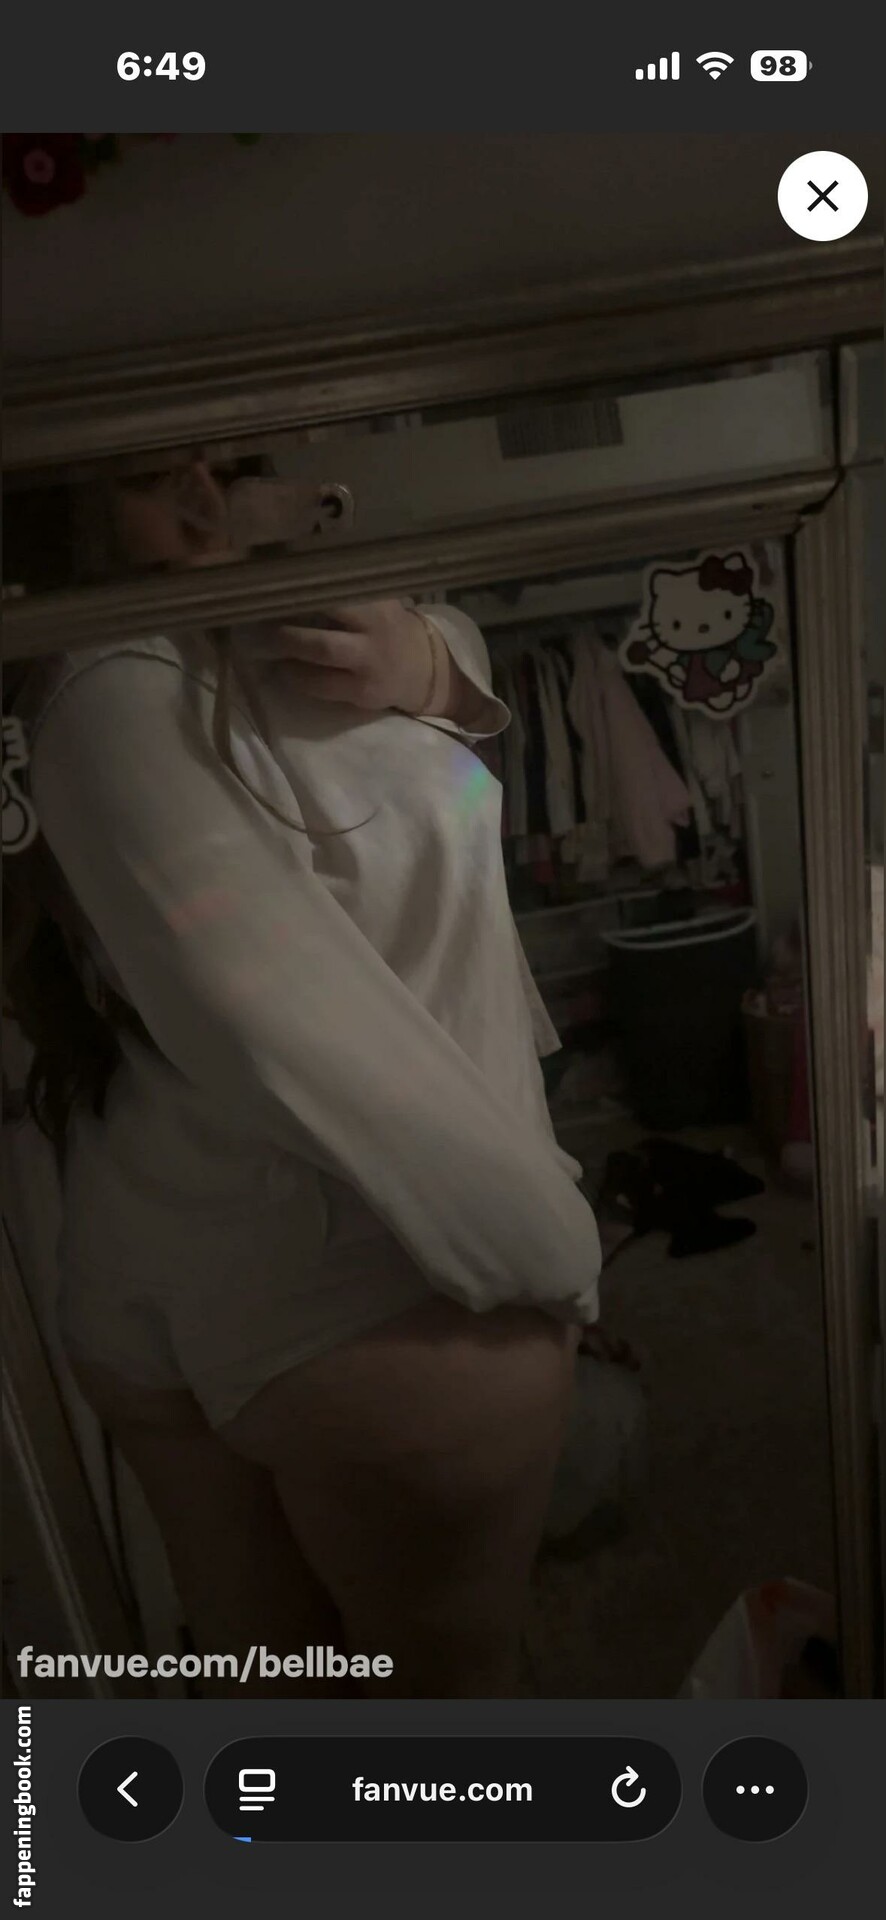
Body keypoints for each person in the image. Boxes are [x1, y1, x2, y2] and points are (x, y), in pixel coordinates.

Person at [4, 453, 602, 1698]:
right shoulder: (121, 690)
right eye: (157, 474)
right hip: (380, 1287)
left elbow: (451, 695)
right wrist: (551, 1254)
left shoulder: (270, 635)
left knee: (282, 1716)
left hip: (198, 1265)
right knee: (427, 1742)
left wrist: (426, 661)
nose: (210, 502)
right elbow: (285, 1030)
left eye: (239, 463)